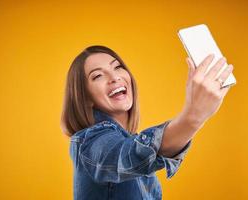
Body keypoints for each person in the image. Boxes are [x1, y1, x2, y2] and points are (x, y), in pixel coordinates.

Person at [60, 45, 234, 200]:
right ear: (85, 98)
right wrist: (193, 116)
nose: (114, 77)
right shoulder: (90, 141)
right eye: (97, 76)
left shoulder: (129, 140)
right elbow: (125, 155)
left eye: (117, 67)